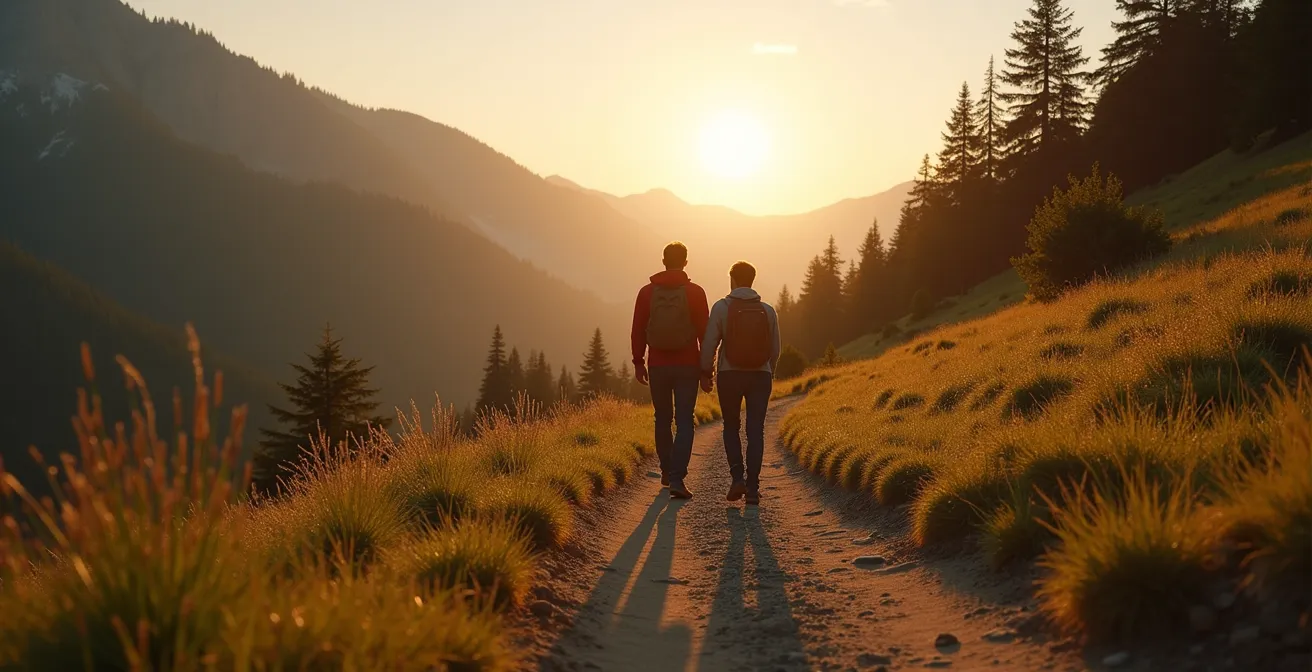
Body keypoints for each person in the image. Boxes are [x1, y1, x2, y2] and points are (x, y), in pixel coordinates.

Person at [632, 241, 710, 500]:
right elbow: (704, 333)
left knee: (662, 418)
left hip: (657, 365)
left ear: (663, 261)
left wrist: (638, 362)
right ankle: (677, 478)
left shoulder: (646, 293)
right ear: (686, 262)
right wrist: (706, 369)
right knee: (685, 420)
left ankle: (666, 471)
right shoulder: (695, 293)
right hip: (688, 365)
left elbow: (638, 329)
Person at [700, 261, 780, 506]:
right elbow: (775, 350)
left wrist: (706, 373)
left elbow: (710, 343)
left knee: (731, 426)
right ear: (753, 280)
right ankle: (753, 488)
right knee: (755, 430)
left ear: (732, 280)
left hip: (730, 375)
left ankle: (737, 478)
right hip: (760, 376)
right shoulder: (767, 310)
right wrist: (769, 372)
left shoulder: (721, 308)